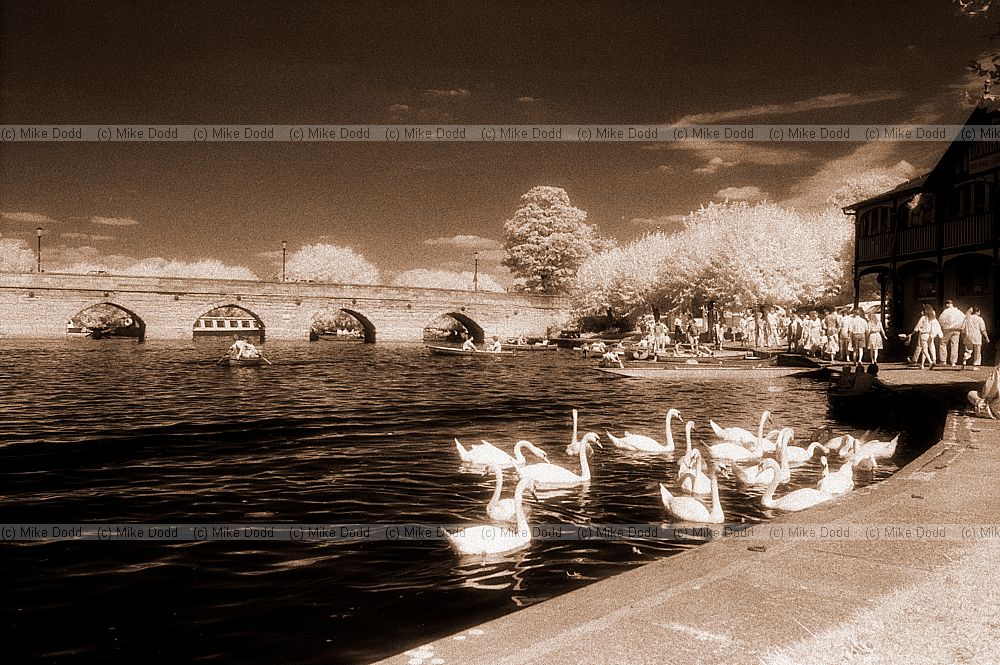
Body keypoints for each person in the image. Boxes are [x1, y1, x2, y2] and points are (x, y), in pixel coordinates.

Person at [912, 304, 942, 369]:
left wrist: (911, 334)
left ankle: (930, 362)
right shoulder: (932, 318)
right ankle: (922, 364)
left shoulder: (923, 318)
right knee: (927, 350)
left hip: (923, 334)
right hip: (930, 335)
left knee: (925, 350)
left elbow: (917, 327)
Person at [937, 299, 965, 366]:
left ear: (946, 304)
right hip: (957, 329)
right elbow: (964, 318)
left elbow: (940, 320)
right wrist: (961, 327)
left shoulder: (946, 311)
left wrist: (943, 326)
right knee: (955, 345)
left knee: (943, 343)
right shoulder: (958, 311)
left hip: (948, 329)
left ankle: (943, 361)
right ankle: (953, 362)